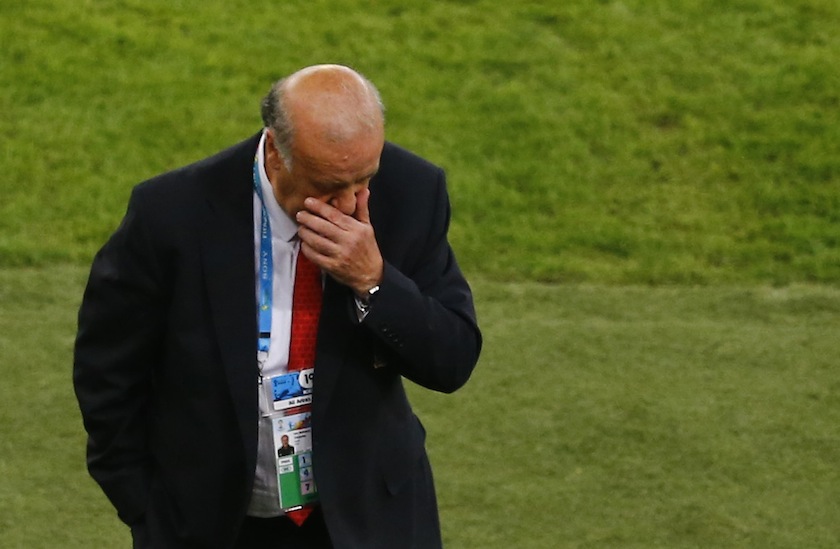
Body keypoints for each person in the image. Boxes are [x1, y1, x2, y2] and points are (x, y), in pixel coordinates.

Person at [73, 64, 482, 548]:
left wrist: (374, 281)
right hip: (212, 524)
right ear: (275, 155)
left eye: (364, 178)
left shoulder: (411, 193)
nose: (352, 202)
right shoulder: (172, 214)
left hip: (366, 520)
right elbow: (108, 370)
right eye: (330, 185)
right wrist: (143, 505)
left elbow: (453, 359)